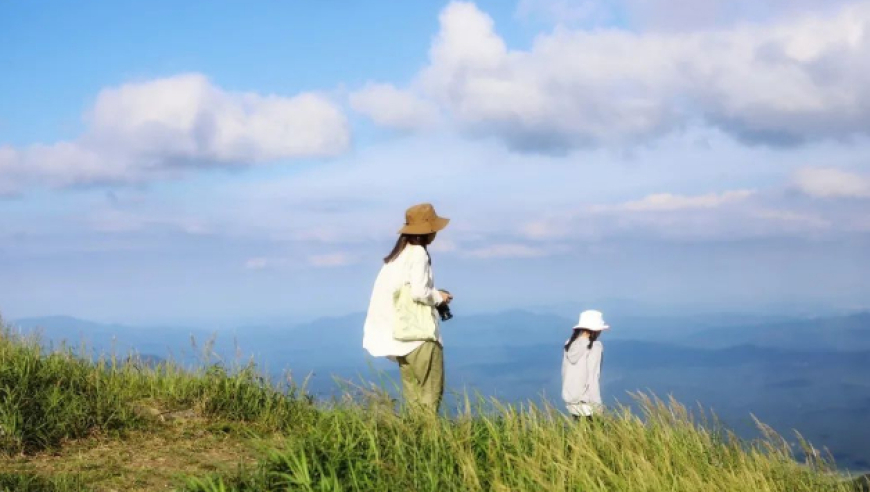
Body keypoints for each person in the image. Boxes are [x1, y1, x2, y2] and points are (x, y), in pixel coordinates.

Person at [363, 203, 453, 412]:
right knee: (430, 399)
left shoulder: (397, 257)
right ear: (428, 229)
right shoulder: (418, 254)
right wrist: (439, 297)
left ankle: (413, 438)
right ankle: (430, 443)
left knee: (413, 400)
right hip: (421, 339)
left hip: (403, 339)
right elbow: (420, 293)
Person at [561, 309, 609, 421]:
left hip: (571, 402)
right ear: (595, 330)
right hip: (588, 404)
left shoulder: (569, 344)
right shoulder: (595, 347)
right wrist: (598, 406)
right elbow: (593, 378)